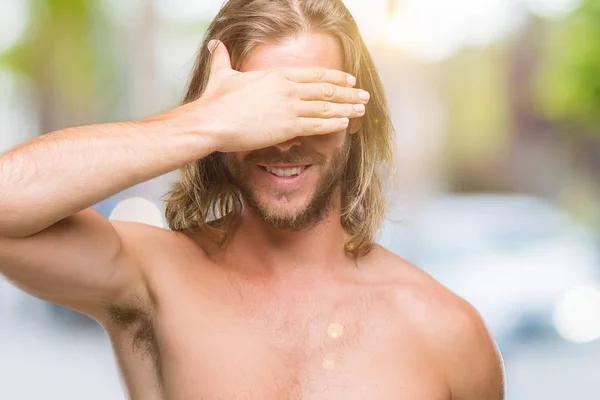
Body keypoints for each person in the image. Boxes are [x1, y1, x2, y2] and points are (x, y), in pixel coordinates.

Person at [0, 0, 505, 399]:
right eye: (263, 112)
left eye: (311, 106)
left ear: (358, 117)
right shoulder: (151, 279)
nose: (285, 139)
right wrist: (205, 121)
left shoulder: (448, 332)